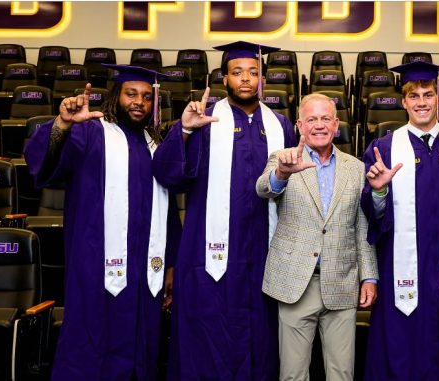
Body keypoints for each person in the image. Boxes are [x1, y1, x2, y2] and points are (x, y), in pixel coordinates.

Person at [24, 64, 182, 380]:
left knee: (143, 345)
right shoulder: (91, 134)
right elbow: (44, 162)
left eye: (147, 97)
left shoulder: (157, 147)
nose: (140, 102)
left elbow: (168, 211)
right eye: (131, 94)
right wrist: (62, 124)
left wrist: (170, 266)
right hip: (96, 266)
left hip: (144, 272)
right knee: (91, 345)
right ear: (116, 96)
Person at [152, 41, 296, 380]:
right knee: (208, 333)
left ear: (262, 79)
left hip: (264, 248)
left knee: (261, 337)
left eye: (253, 72)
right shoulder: (205, 122)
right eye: (237, 73)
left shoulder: (281, 126)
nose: (245, 79)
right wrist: (185, 131)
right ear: (224, 79)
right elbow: (169, 175)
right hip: (208, 250)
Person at [361, 61, 439, 380]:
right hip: (402, 267)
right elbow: (371, 215)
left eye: (429, 94)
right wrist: (379, 192)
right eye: (414, 96)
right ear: (404, 101)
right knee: (402, 344)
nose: (422, 102)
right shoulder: (383, 149)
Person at [256, 93, 378, 381]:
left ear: (336, 125)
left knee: (342, 374)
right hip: (295, 282)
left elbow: (362, 226)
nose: (319, 125)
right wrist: (282, 174)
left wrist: (369, 277)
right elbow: (264, 189)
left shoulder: (356, 167)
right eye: (312, 119)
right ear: (300, 125)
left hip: (342, 282)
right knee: (293, 375)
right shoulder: (283, 159)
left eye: (326, 119)